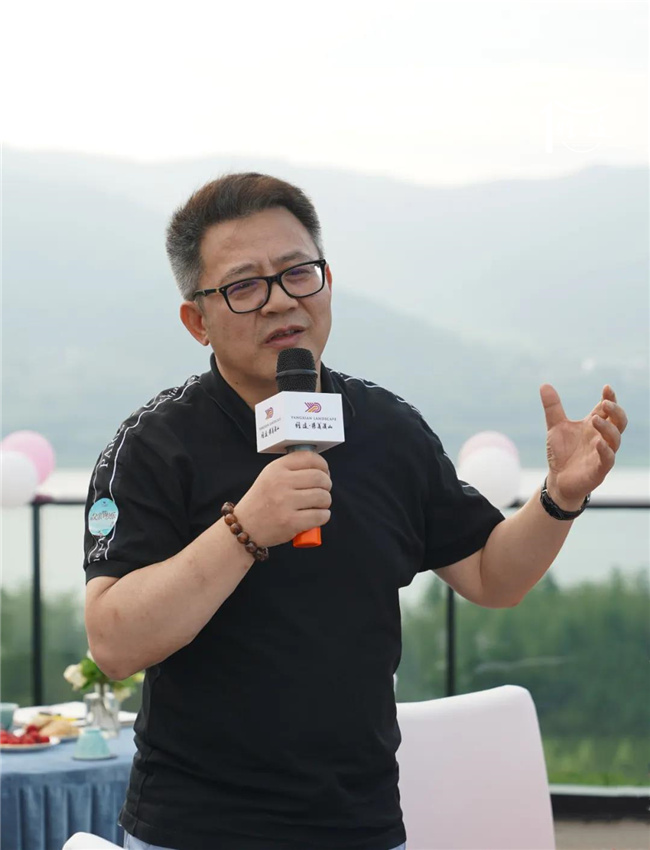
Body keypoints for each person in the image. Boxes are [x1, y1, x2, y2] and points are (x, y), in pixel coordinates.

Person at [83, 173, 627, 850]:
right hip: (195, 827)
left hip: (360, 823)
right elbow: (114, 643)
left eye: (297, 273)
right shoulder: (153, 447)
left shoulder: (387, 428)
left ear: (328, 282)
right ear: (198, 320)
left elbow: (493, 576)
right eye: (246, 286)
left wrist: (559, 497)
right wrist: (244, 529)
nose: (282, 300)